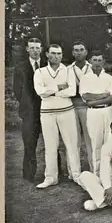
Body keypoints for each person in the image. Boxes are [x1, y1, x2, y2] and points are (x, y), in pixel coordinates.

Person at [33, 43, 81, 188]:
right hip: (47, 113)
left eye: (59, 53)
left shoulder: (68, 70)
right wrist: (59, 87)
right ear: (47, 54)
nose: (56, 56)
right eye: (53, 53)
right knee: (50, 146)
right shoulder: (40, 72)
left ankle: (76, 174)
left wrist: (51, 92)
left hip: (67, 110)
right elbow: (39, 92)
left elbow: (72, 91)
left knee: (72, 144)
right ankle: (51, 177)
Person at [79, 51, 112, 176]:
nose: (97, 63)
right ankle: (96, 173)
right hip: (93, 114)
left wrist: (94, 101)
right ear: (90, 62)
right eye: (94, 60)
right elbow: (86, 96)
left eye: (99, 60)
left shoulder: (108, 78)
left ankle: (110, 172)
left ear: (103, 62)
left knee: (109, 141)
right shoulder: (85, 78)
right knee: (95, 143)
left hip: (108, 111)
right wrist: (103, 94)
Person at [13, 37, 47, 182]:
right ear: (27, 49)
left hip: (46, 110)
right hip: (29, 113)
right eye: (32, 47)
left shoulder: (47, 65)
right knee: (29, 144)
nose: (35, 50)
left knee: (52, 144)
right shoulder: (20, 67)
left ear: (41, 49)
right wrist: (27, 105)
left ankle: (54, 172)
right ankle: (29, 175)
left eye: (37, 47)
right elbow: (17, 91)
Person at [67, 41, 94, 173]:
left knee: (91, 139)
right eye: (76, 50)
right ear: (72, 53)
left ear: (86, 52)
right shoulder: (67, 69)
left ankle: (95, 169)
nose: (78, 52)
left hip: (89, 108)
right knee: (73, 140)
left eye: (81, 49)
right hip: (72, 107)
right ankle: (74, 172)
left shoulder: (93, 67)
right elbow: (68, 90)